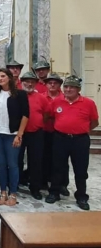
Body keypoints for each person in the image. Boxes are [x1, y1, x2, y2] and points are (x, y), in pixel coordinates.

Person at [46, 75, 99, 210]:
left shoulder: (88, 103)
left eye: (72, 87)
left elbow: (94, 122)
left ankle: (81, 196)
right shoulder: (57, 101)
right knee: (57, 167)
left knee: (81, 170)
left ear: (78, 89)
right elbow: (50, 116)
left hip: (80, 140)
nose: (68, 89)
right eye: (66, 87)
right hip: (60, 139)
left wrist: (80, 129)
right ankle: (54, 192)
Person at [0, 68, 29, 207]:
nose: (0, 79)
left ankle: (13, 193)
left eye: (3, 76)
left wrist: (19, 134)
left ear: (9, 77)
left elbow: (25, 115)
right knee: (1, 164)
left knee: (12, 164)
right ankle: (3, 192)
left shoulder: (20, 94)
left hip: (12, 134)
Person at [18, 71, 50, 200]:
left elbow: (47, 114)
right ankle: (17, 182)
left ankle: (35, 188)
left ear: (36, 83)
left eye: (32, 81)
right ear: (21, 82)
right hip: (19, 133)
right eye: (26, 81)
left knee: (36, 161)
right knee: (17, 160)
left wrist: (37, 123)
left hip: (36, 134)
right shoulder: (17, 96)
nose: (29, 83)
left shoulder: (41, 98)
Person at [42, 73, 68, 193]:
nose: (52, 85)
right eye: (50, 83)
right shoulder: (41, 97)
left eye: (55, 83)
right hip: (44, 131)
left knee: (62, 160)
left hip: (61, 134)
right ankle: (45, 180)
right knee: (45, 157)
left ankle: (62, 184)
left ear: (59, 85)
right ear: (46, 84)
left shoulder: (66, 98)